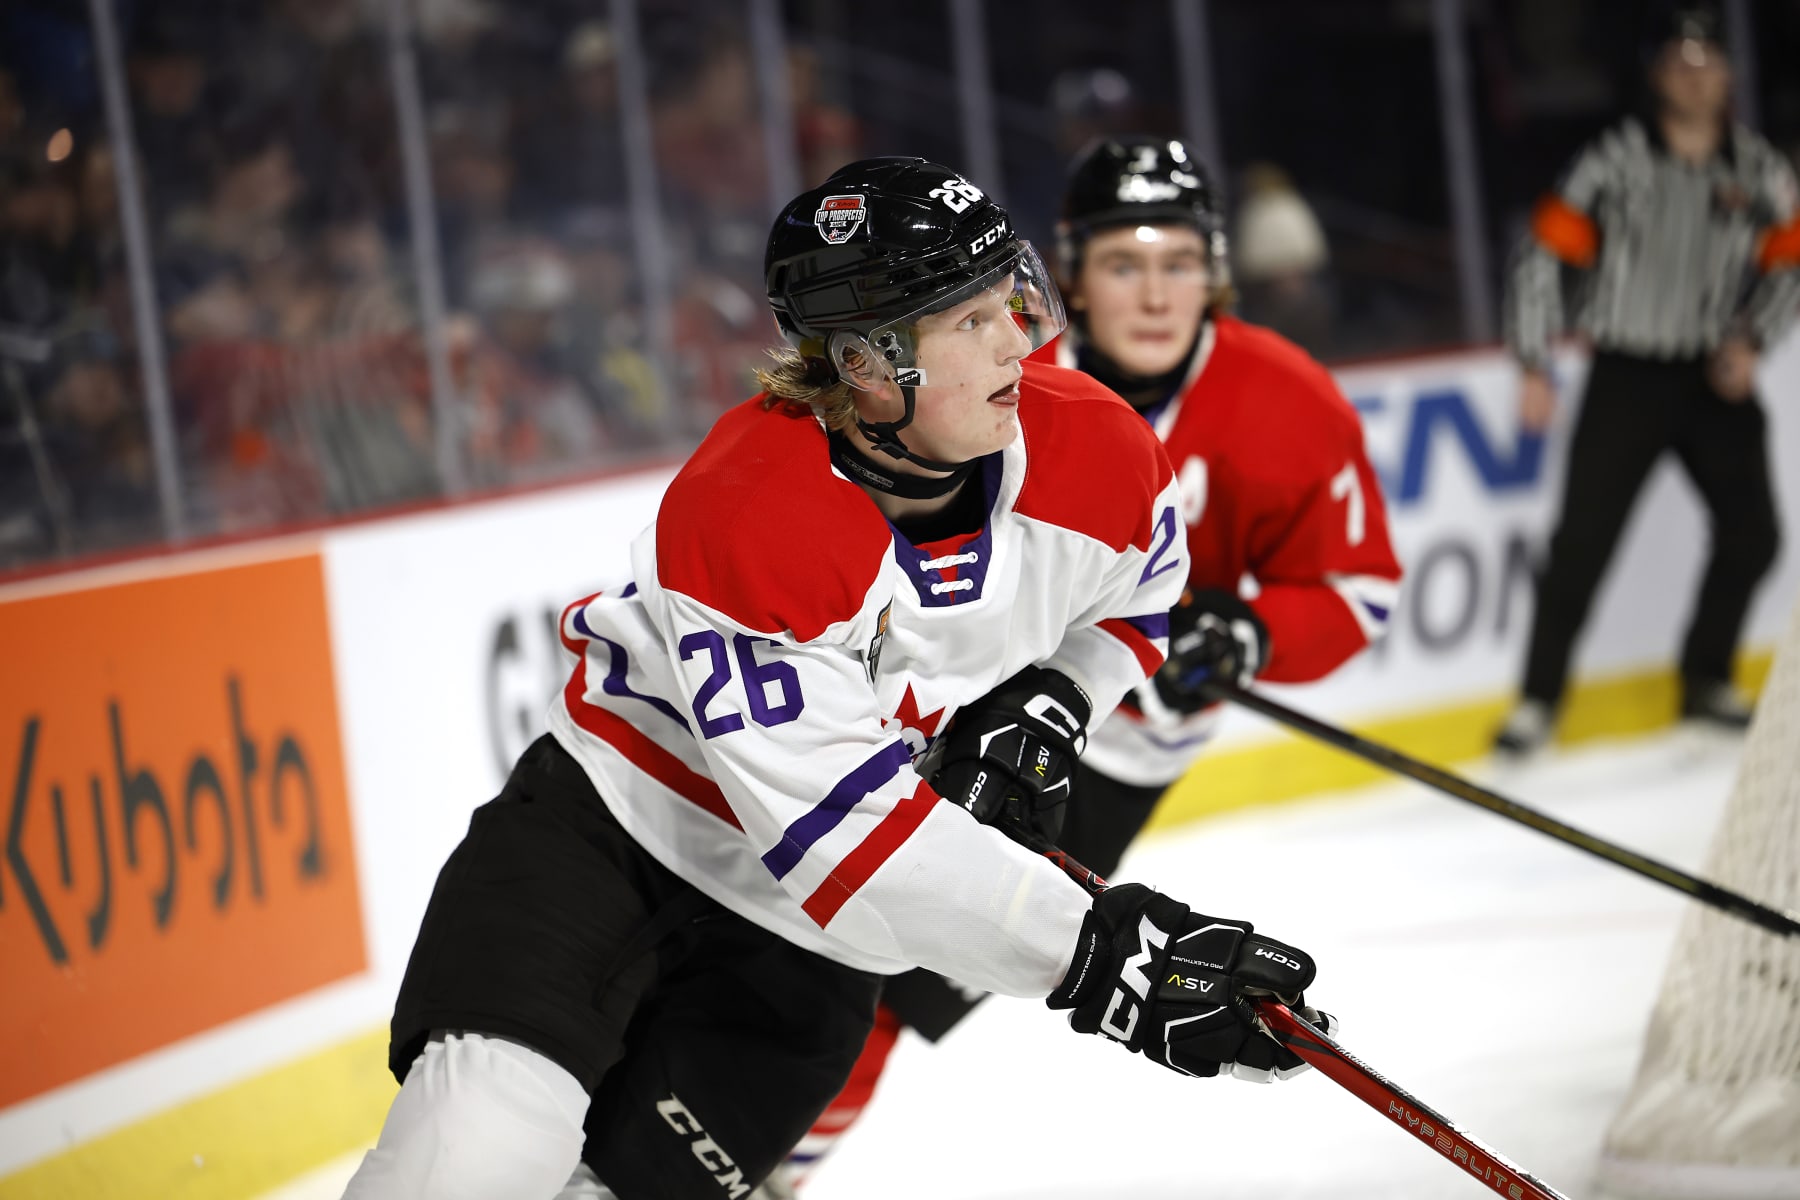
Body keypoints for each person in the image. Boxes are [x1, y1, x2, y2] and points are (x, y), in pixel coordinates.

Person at [341, 157, 1333, 1200]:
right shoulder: (753, 509)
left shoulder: (1098, 448)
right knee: (470, 1159)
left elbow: (1138, 595)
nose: (1019, 345)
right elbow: (844, 842)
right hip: (606, 848)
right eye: (970, 324)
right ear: (866, 363)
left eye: (1013, 301)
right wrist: (1103, 961)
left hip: (806, 948)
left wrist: (1056, 696)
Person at [772, 137, 1398, 1189]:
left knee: (901, 979)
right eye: (1121, 264)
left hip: (1104, 765)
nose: (1154, 293)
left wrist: (1250, 635)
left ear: (1216, 271)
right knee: (819, 943)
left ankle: (774, 1163)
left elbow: (1359, 587)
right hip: (941, 713)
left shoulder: (1287, 401)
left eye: (1177, 262)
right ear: (1066, 271)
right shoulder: (989, 375)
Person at [1493, 3, 1800, 756]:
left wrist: (1752, 340)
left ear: (1728, 74)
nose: (1695, 79)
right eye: (1679, 64)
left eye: (1707, 64)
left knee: (1755, 536)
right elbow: (1542, 255)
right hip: (1626, 373)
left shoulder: (1757, 168)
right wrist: (1533, 360)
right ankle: (1538, 700)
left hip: (1711, 376)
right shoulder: (1614, 161)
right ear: (1658, 75)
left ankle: (1705, 677)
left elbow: (1788, 261)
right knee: (1581, 547)